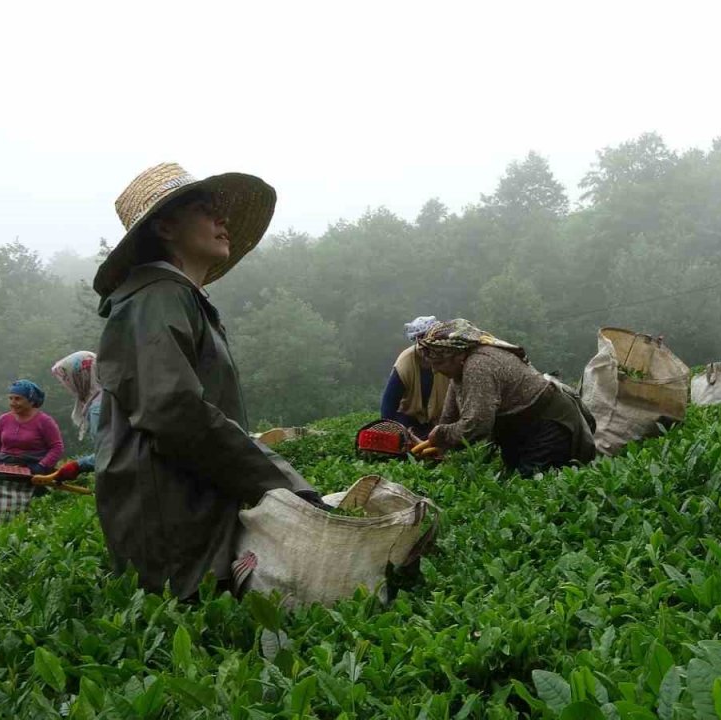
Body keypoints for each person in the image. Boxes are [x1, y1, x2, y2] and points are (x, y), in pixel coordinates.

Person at [92, 163, 325, 600]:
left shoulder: (177, 298)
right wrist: (281, 483)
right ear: (165, 226)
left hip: (191, 508)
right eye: (206, 211)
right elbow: (174, 411)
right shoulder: (155, 298)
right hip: (171, 521)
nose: (224, 222)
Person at [409, 319, 596, 475]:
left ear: (458, 355)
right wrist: (436, 443)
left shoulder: (478, 366)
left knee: (532, 484)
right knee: (511, 478)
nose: (435, 370)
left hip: (547, 423)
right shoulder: (459, 370)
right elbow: (450, 416)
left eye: (439, 362)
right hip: (519, 428)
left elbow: (477, 424)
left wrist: (442, 435)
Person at [0, 380, 64, 530]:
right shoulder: (4, 419)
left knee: (19, 505)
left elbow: (57, 447)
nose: (13, 402)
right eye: (11, 398)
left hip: (32, 469)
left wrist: (41, 466)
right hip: (4, 466)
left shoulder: (45, 421)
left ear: (31, 400)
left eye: (18, 399)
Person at [379, 315, 449, 438]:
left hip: (440, 419)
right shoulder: (405, 361)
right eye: (420, 339)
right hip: (409, 419)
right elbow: (389, 404)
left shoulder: (447, 357)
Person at [41, 351, 102, 484]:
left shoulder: (98, 408)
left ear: (80, 377)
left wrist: (78, 466)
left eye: (67, 378)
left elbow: (108, 453)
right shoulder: (108, 396)